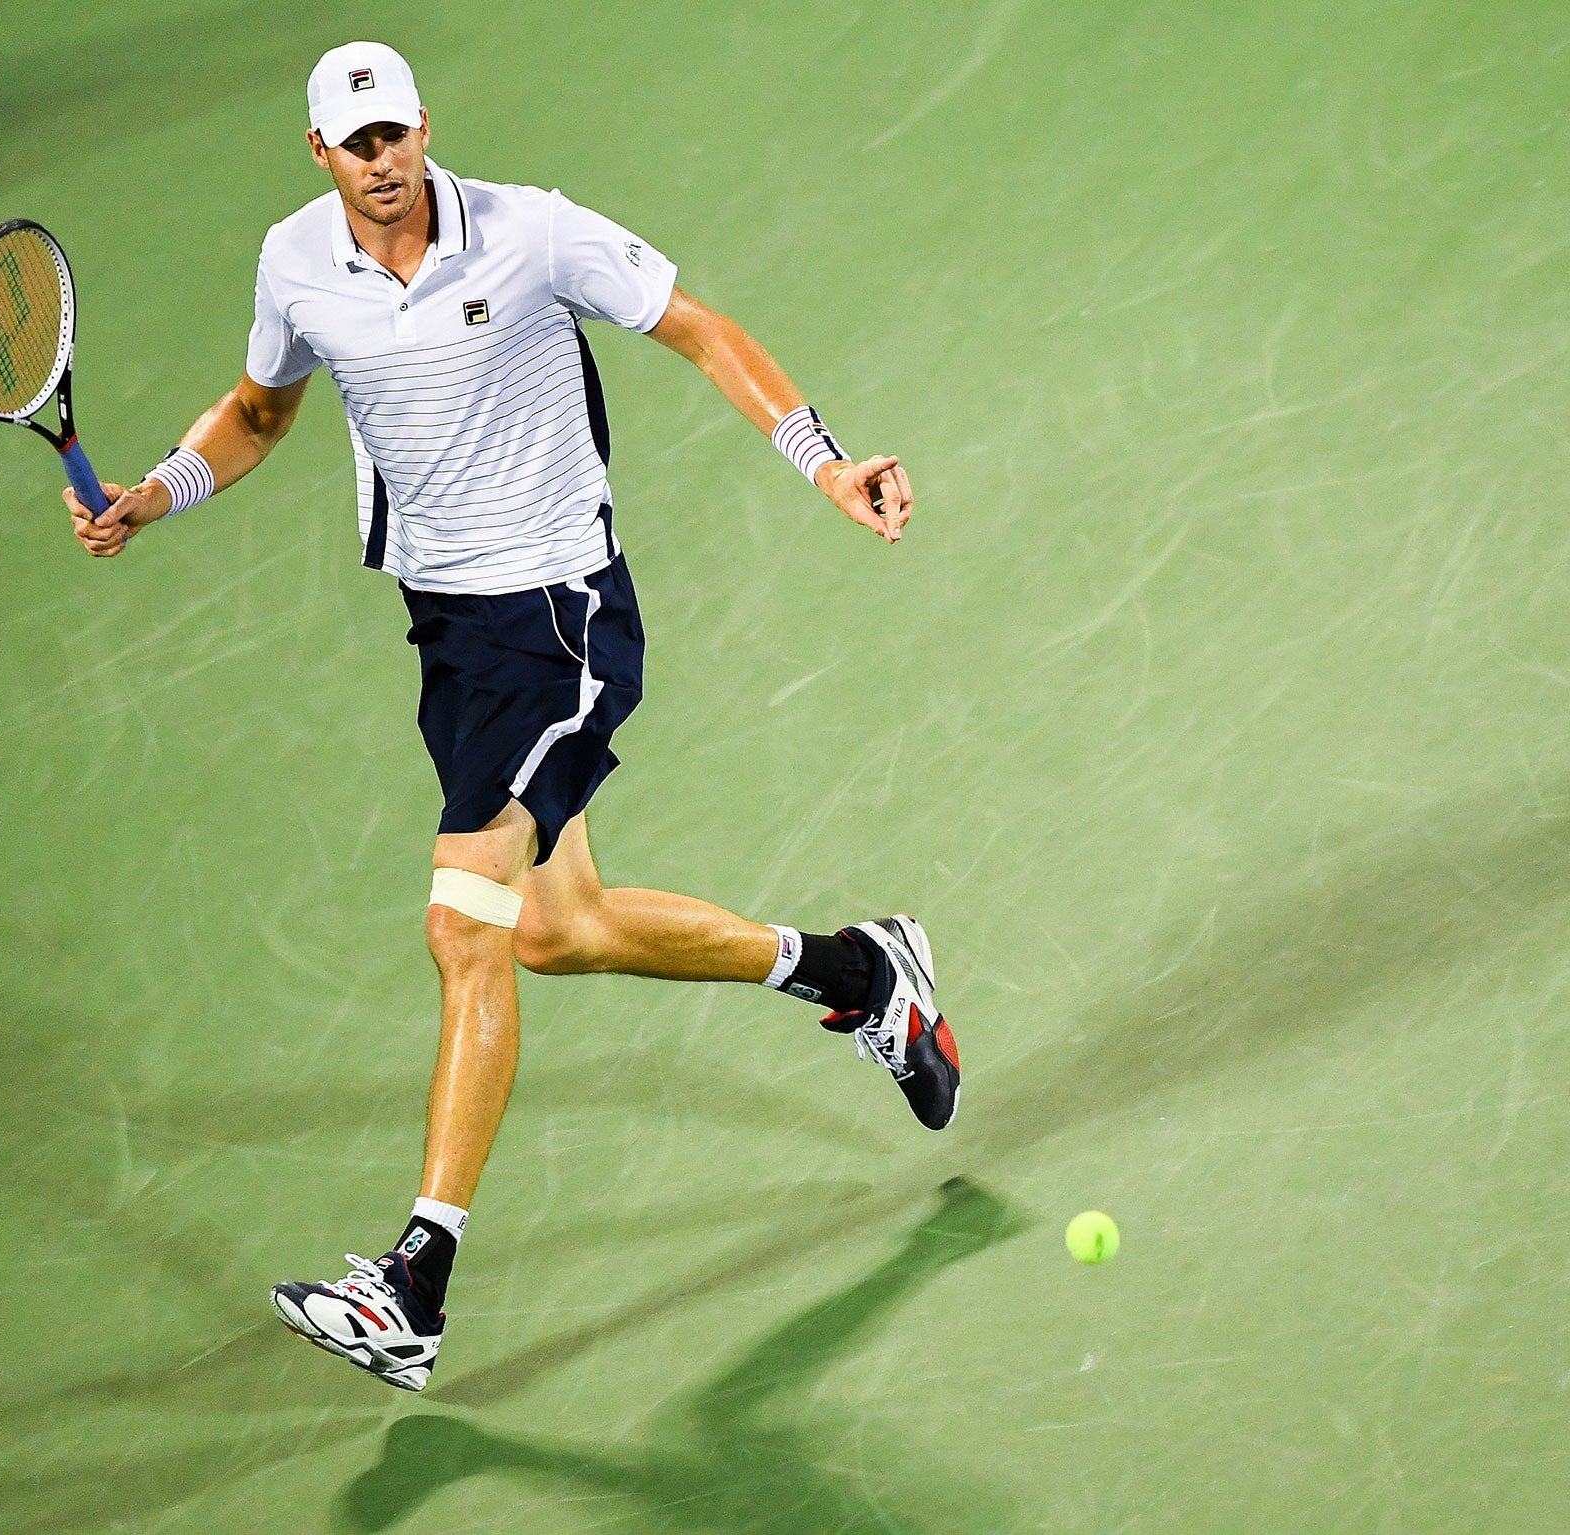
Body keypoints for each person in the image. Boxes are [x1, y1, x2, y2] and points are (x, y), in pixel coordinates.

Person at [65, 40, 960, 1393]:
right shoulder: (296, 264)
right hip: (449, 636)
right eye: (352, 143)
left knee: (461, 920)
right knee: (556, 928)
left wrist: (825, 467)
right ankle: (859, 972)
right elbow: (258, 411)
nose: (379, 162)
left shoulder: (533, 234)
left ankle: (417, 1282)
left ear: (423, 127)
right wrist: (158, 491)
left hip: (563, 621)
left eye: (393, 135)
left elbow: (700, 330)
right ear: (318, 152)